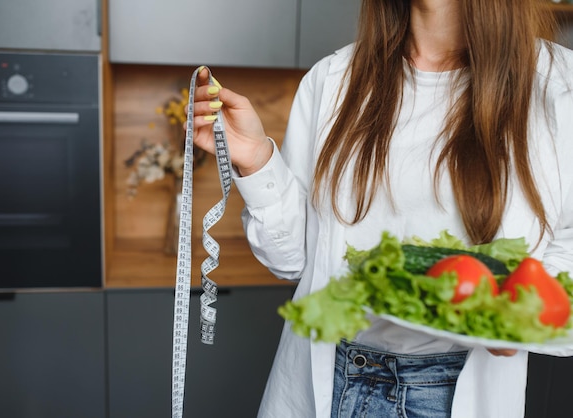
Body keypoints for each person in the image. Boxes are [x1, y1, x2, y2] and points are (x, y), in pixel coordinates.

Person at [189, 1, 573, 417]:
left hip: (451, 392)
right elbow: (293, 260)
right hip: (329, 380)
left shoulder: (559, 84)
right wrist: (257, 159)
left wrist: (520, 316)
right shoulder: (334, 78)